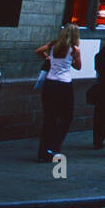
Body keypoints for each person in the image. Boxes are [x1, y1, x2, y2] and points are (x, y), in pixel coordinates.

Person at [35, 23, 82, 162]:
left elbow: (38, 50)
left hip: (50, 83)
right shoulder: (74, 49)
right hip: (63, 84)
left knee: (49, 118)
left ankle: (43, 151)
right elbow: (78, 66)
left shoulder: (53, 45)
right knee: (66, 117)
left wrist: (48, 58)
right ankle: (54, 147)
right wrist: (70, 62)